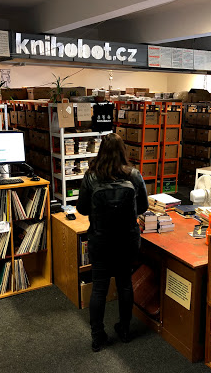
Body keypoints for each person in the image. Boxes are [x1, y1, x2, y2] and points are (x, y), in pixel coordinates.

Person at [76, 133, 148, 352]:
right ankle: (125, 330)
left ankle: (98, 336)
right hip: (127, 239)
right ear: (123, 151)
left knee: (99, 288)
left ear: (101, 151)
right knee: (125, 283)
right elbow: (143, 207)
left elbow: (81, 208)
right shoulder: (134, 175)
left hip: (100, 240)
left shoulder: (91, 176)